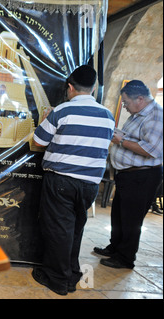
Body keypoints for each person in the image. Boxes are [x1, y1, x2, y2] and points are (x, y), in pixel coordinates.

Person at [32, 65, 115, 295]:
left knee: (58, 230)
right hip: (90, 184)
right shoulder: (108, 116)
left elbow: (39, 140)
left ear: (70, 87)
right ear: (94, 88)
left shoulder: (63, 111)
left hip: (62, 180)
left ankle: (57, 279)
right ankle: (71, 274)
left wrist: (47, 118)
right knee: (75, 228)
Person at [93, 80, 163, 269]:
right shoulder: (137, 114)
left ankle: (125, 258)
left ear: (140, 99)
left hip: (142, 176)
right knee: (119, 215)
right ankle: (115, 247)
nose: (124, 106)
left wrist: (121, 141)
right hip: (128, 175)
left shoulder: (156, 117)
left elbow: (151, 150)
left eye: (126, 102)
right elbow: (132, 137)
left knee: (132, 219)